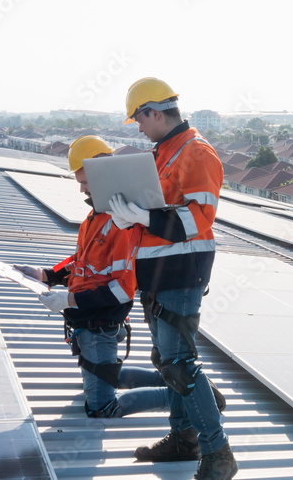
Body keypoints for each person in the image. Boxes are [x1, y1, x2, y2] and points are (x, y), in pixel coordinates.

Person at [112, 77, 237, 480]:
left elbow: (198, 220)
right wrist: (129, 214)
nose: (139, 127)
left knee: (179, 364)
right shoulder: (163, 152)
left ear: (154, 112)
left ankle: (218, 455)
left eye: (140, 119)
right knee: (168, 362)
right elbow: (159, 214)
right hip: (160, 272)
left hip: (182, 270)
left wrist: (143, 216)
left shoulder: (195, 153)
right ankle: (184, 439)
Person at [14, 135, 169, 418]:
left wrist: (69, 299)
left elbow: (123, 291)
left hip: (100, 325)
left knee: (101, 406)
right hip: (88, 325)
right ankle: (175, 382)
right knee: (105, 374)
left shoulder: (122, 223)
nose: (82, 189)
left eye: (86, 182)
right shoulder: (94, 217)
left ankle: (184, 395)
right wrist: (46, 274)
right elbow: (82, 263)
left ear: (104, 175)